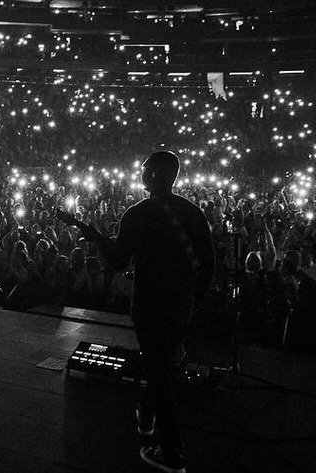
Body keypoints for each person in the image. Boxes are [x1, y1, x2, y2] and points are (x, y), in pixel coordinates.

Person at [65, 150, 214, 473]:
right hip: (181, 305)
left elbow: (118, 261)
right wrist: (194, 300)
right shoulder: (193, 214)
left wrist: (95, 238)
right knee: (160, 361)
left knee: (159, 374)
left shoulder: (138, 213)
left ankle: (173, 453)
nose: (140, 173)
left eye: (144, 169)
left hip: (149, 305)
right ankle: (146, 418)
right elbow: (209, 265)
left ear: (154, 175)